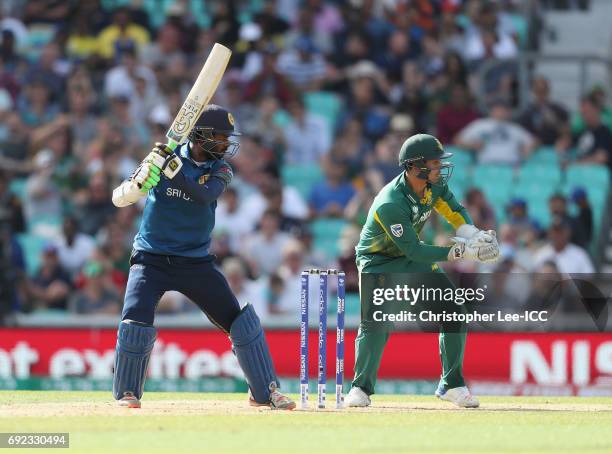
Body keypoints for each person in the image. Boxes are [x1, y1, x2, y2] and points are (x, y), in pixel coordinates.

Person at [110, 104, 295, 410]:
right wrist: (139, 182)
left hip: (194, 261)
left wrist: (171, 170)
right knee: (135, 319)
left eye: (226, 138)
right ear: (200, 135)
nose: (225, 144)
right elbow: (120, 199)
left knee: (238, 320)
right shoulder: (163, 157)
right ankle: (127, 392)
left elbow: (203, 196)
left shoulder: (220, 170)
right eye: (220, 137)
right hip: (151, 257)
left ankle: (265, 391)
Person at [344, 134, 500, 409]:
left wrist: (473, 235)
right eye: (434, 162)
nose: (440, 167)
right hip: (377, 260)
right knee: (376, 322)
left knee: (454, 310)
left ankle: (451, 385)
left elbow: (455, 210)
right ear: (415, 166)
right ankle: (360, 388)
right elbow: (414, 250)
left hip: (410, 257)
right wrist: (461, 252)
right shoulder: (391, 202)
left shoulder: (434, 184)